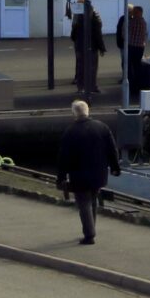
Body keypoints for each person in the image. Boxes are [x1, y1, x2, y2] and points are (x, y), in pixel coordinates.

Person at [54, 99, 121, 245]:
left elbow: (63, 157)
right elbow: (112, 149)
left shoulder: (70, 131)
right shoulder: (102, 127)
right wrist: (115, 168)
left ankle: (89, 235)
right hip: (99, 173)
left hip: (79, 174)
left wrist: (60, 177)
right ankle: (91, 229)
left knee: (83, 203)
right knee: (93, 201)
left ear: (74, 113)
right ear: (87, 111)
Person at [71, 0, 104, 94]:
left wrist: (75, 40)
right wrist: (101, 47)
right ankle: (92, 86)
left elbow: (74, 32)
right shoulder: (95, 17)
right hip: (92, 46)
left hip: (80, 46)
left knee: (81, 67)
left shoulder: (79, 17)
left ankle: (81, 87)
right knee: (92, 67)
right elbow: (98, 33)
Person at [122, 4, 146, 91]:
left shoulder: (132, 22)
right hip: (140, 47)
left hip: (132, 46)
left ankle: (132, 86)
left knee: (130, 66)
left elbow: (125, 33)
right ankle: (139, 84)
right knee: (137, 65)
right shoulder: (144, 22)